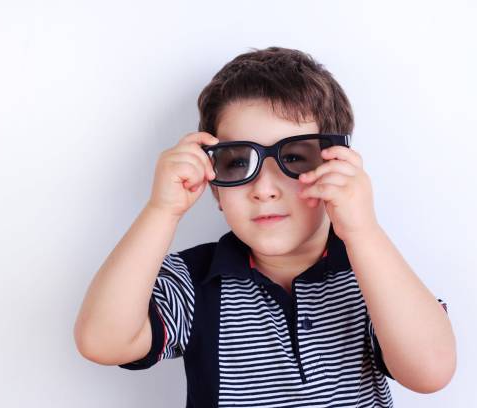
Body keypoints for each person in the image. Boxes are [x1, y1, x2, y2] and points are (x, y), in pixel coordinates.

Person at [74, 46, 456, 407]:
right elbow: (103, 341)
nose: (264, 189)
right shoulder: (195, 281)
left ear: (336, 166)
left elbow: (431, 370)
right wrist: (161, 210)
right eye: (238, 162)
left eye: (294, 157)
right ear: (214, 185)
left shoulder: (373, 272)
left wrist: (364, 231)